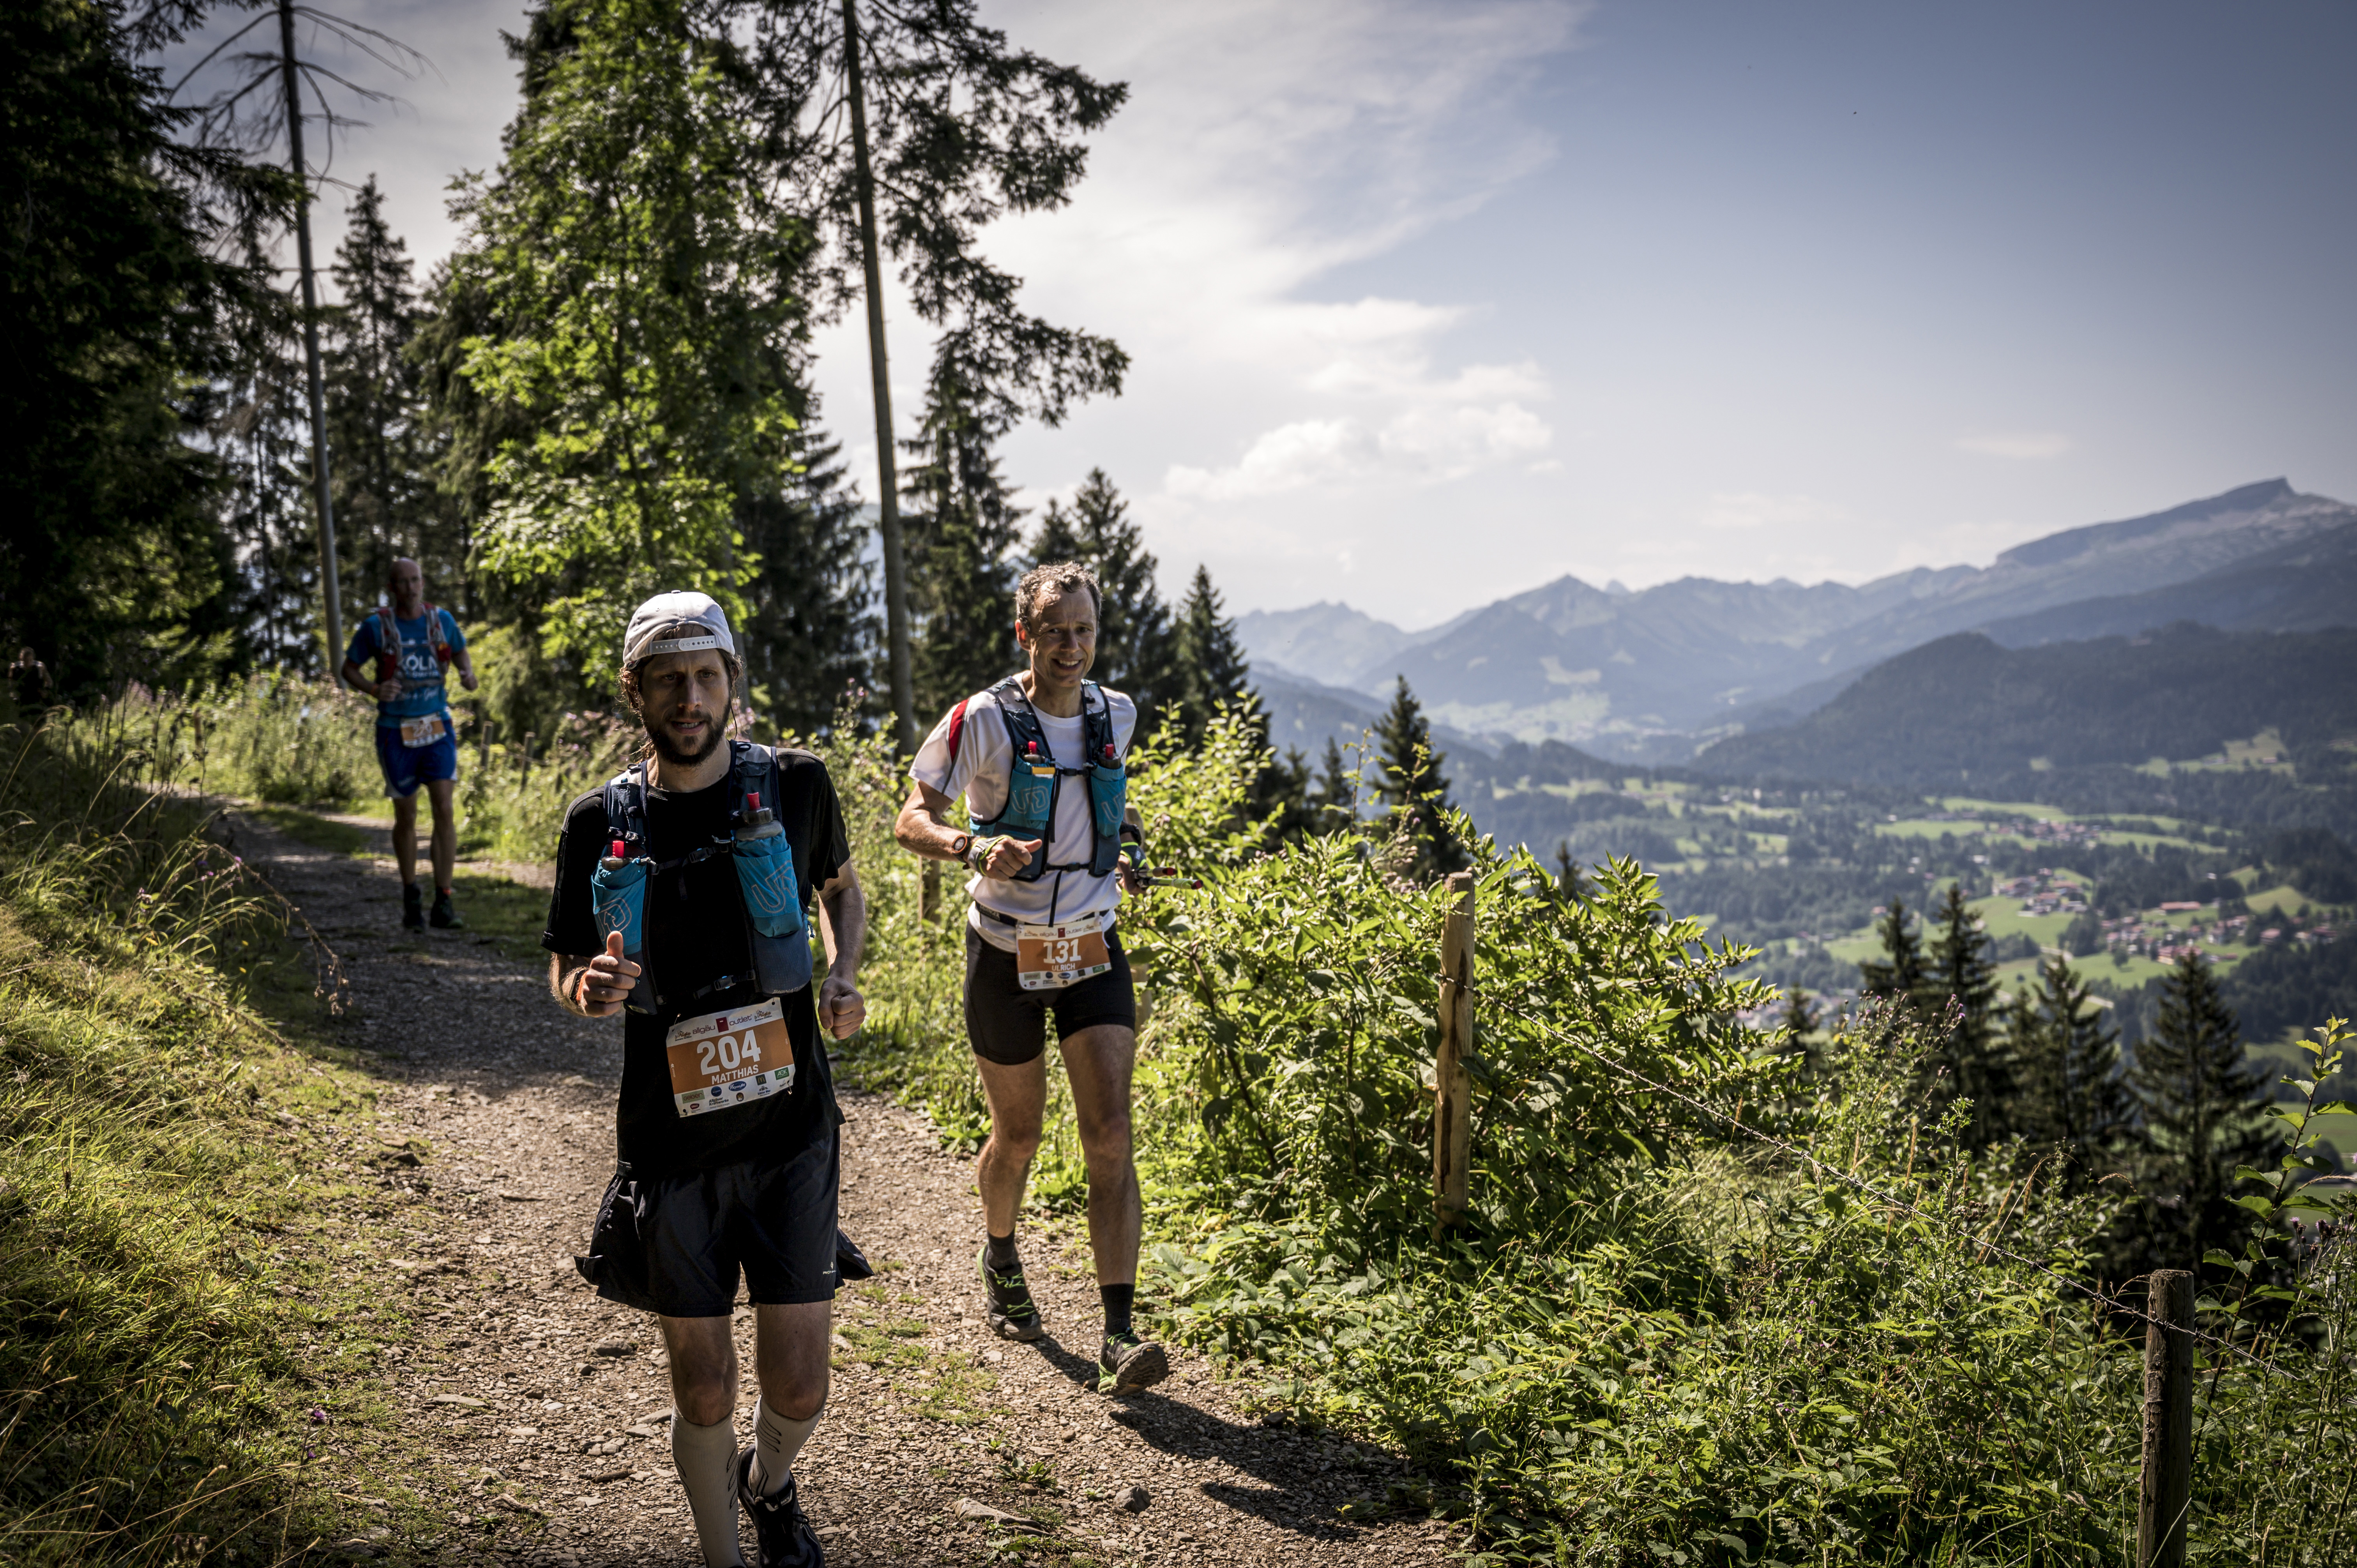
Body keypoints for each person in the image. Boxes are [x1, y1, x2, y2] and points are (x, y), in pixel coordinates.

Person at [544, 591, 867, 1568]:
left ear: (733, 680)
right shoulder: (599, 818)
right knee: (704, 1389)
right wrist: (585, 988)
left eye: (708, 676)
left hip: (791, 1133)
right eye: (670, 679)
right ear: (633, 689)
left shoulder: (798, 784)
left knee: (799, 1384)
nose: (691, 697)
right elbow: (563, 962)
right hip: (671, 1146)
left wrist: (845, 969)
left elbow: (841, 890)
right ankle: (723, 1553)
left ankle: (769, 1482)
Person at [892, 560, 1170, 1395]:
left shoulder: (1115, 712)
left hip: (1091, 943)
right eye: (1056, 632)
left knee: (1111, 1132)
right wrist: (972, 847)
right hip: (1006, 948)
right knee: (1018, 1135)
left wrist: (1135, 853)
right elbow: (912, 816)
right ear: (1028, 634)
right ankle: (1001, 1251)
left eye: (1084, 631)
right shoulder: (981, 717)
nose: (1071, 647)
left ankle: (1119, 1332)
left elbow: (1112, 808)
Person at [339, 558, 478, 931]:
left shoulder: (441, 621)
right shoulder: (375, 627)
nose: (410, 588)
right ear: (392, 587)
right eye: (402, 582)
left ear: (423, 582)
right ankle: (411, 894)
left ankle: (444, 901)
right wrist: (372, 689)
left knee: (445, 808)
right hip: (395, 731)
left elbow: (460, 650)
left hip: (437, 726)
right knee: (407, 816)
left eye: (415, 580)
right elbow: (348, 668)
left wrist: (467, 672)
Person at [7, 647, 54, 714]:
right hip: (21, 698)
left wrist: (46, 690)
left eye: (30, 660)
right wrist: (13, 694)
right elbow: (10, 683)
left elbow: (49, 681)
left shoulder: (40, 667)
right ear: (22, 659)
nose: (28, 663)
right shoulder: (15, 668)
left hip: (36, 698)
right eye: (25, 660)